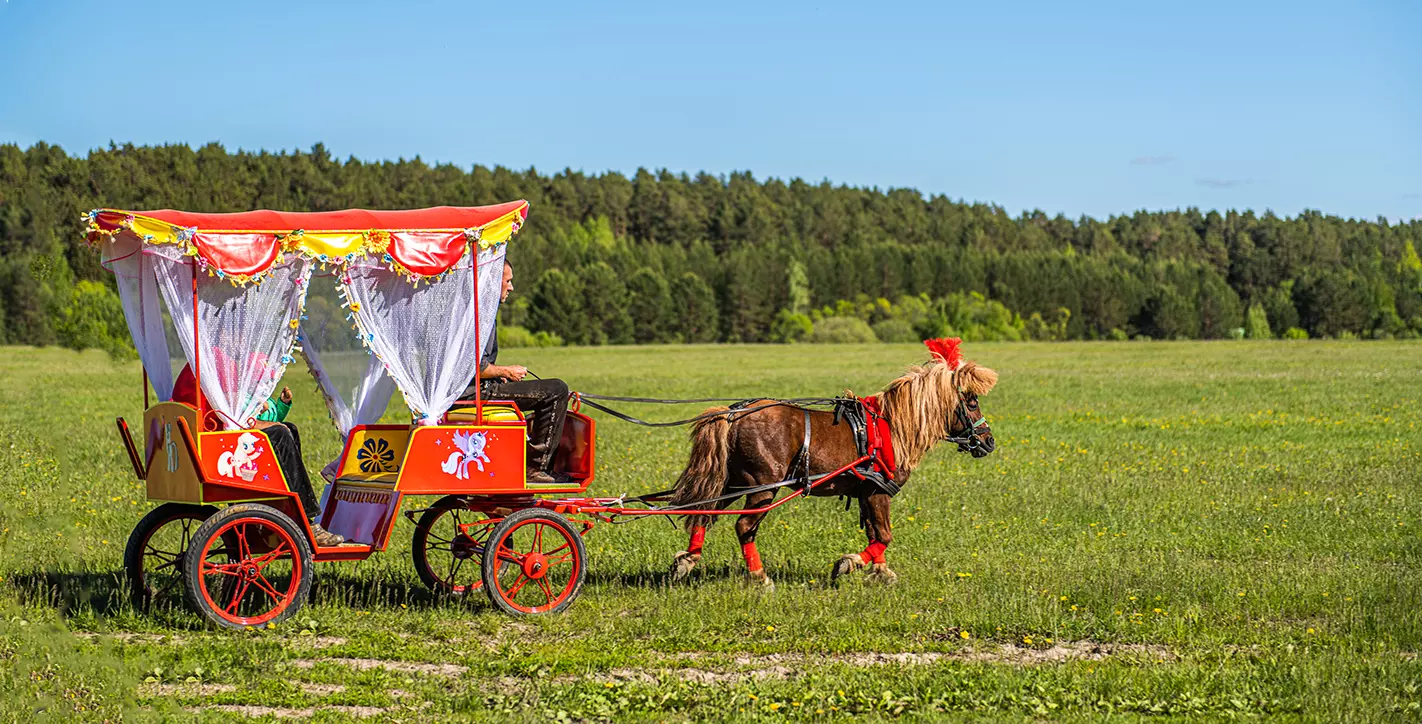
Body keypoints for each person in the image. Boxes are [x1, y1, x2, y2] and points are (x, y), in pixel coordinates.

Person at [172, 365, 346, 546]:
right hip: (214, 439)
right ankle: (306, 522)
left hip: (204, 432)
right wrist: (261, 423)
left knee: (288, 429)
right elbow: (231, 417)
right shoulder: (218, 364)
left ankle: (290, 509)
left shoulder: (198, 365)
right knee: (282, 433)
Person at [462, 260, 569, 484]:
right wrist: (505, 371)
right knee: (556, 390)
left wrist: (498, 373)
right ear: (492, 281)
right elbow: (473, 366)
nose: (511, 287)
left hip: (473, 390)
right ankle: (536, 468)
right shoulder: (478, 314)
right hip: (473, 395)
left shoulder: (475, 310)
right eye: (508, 281)